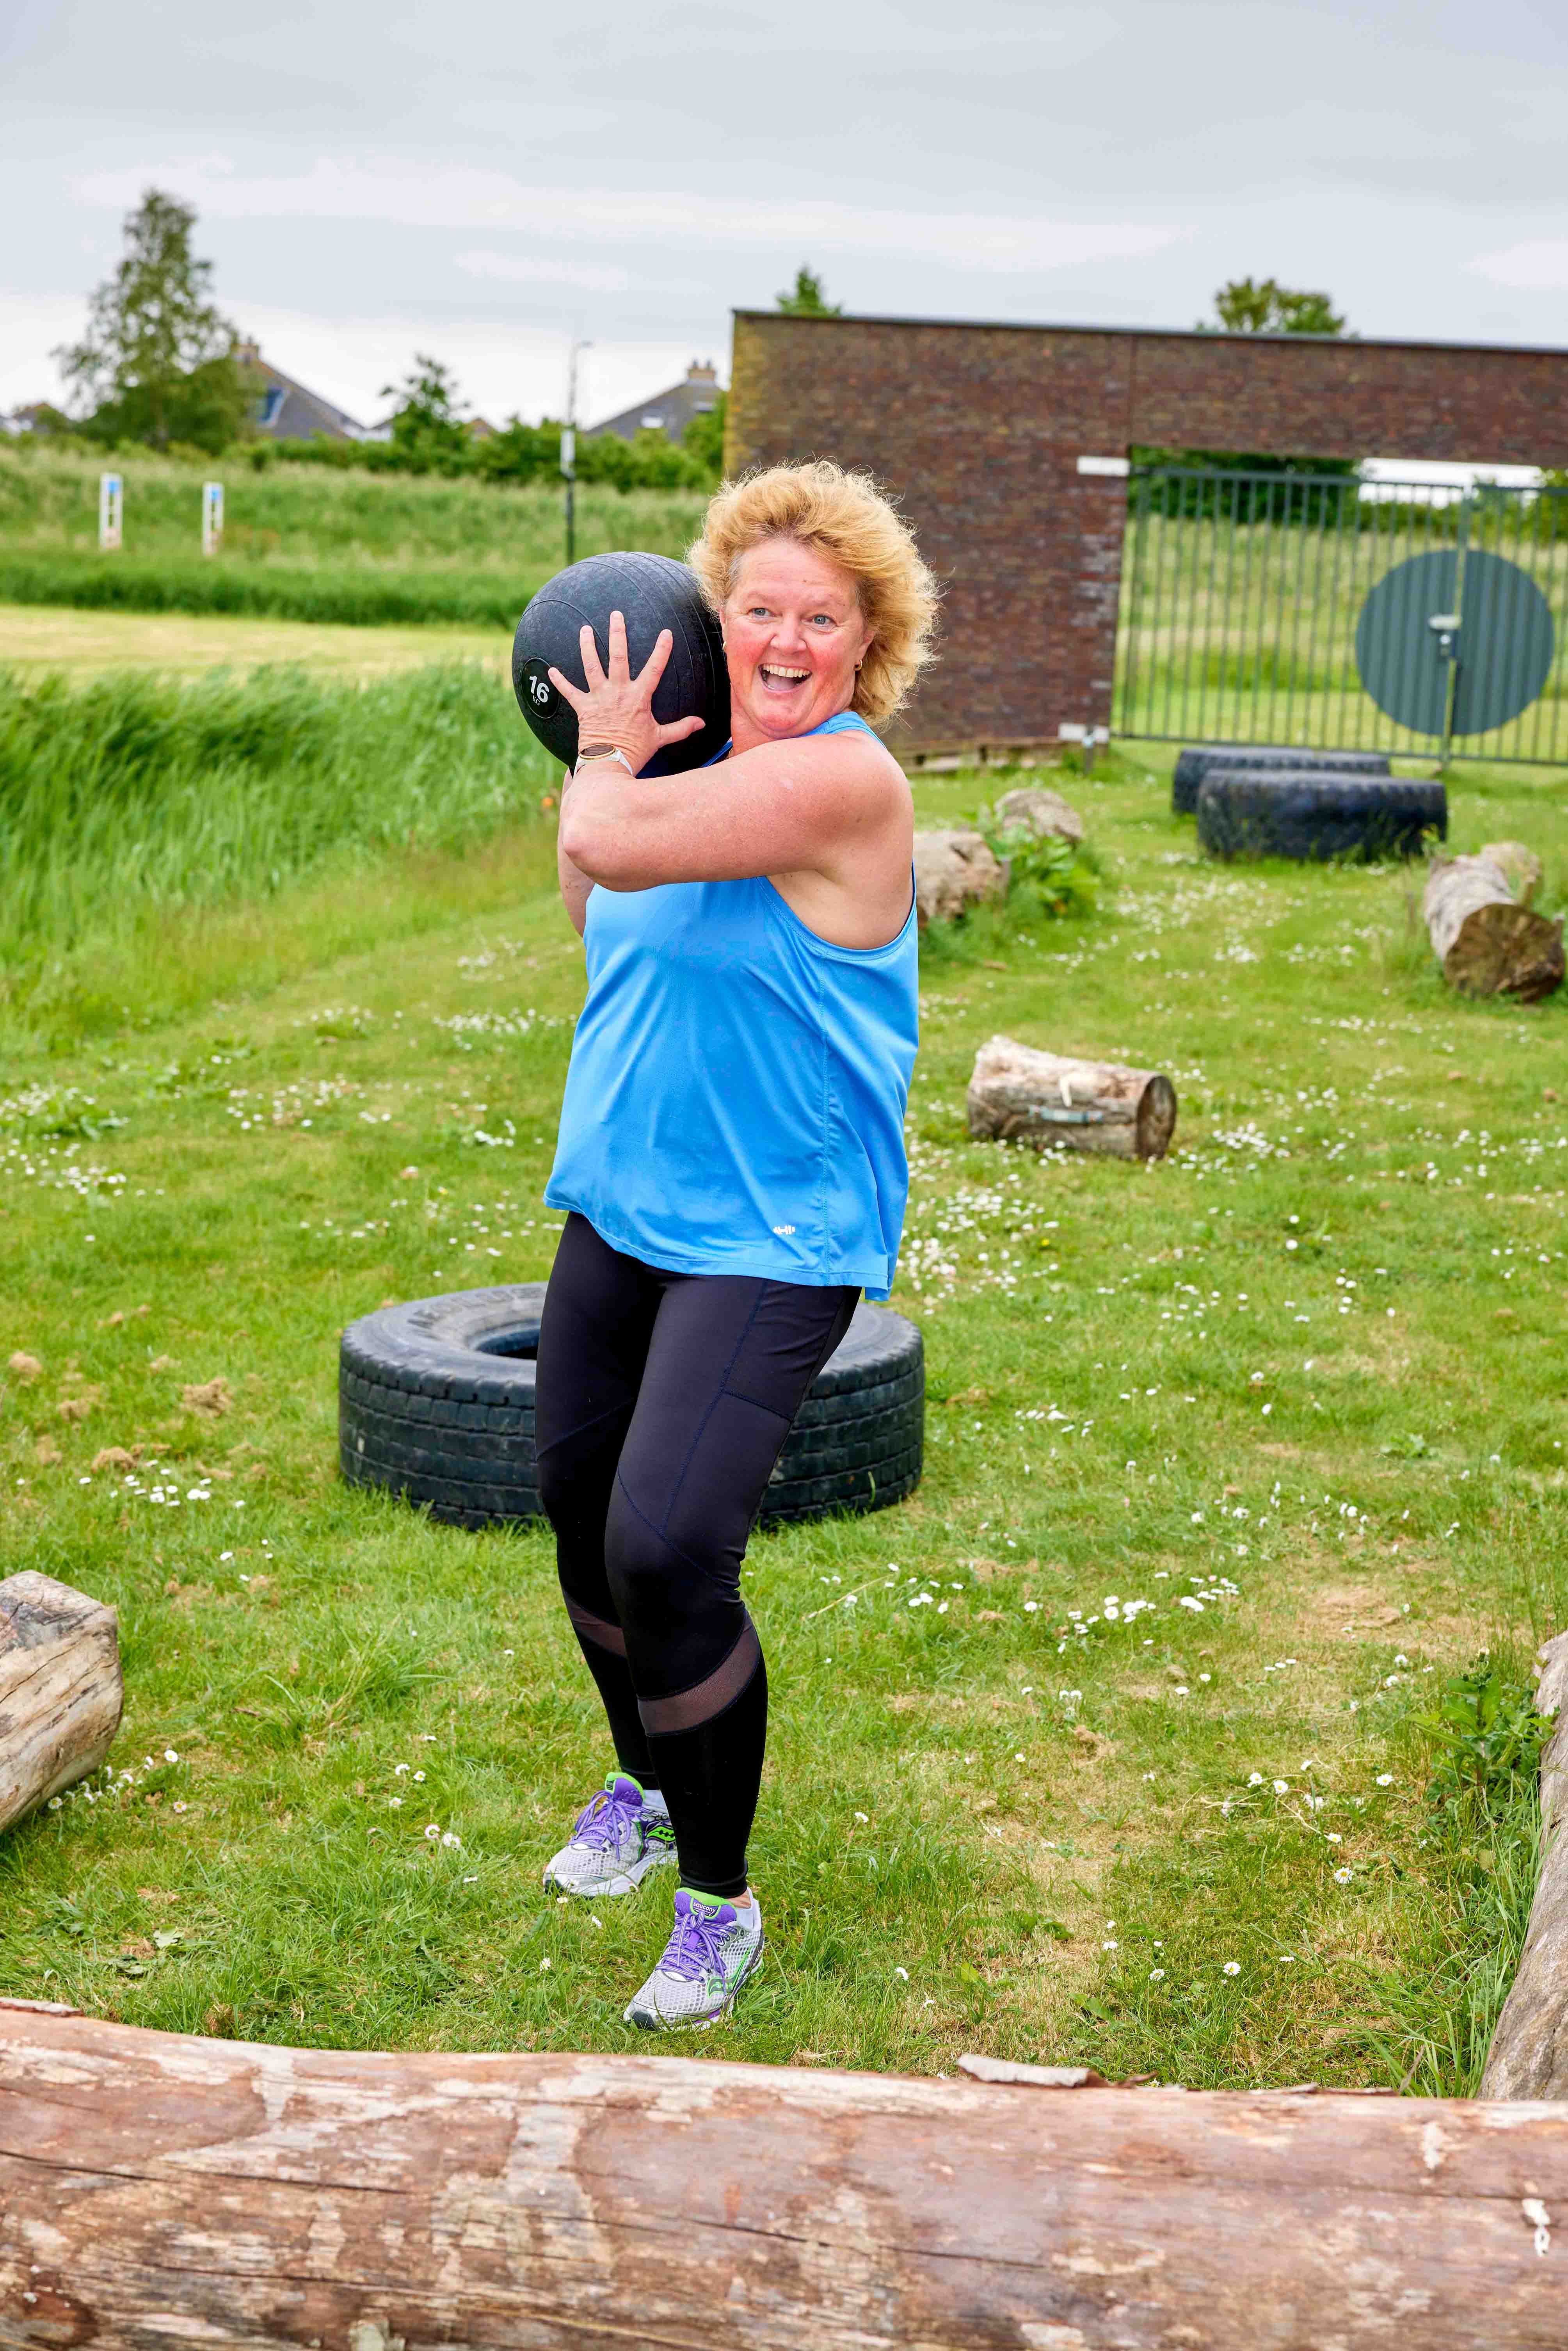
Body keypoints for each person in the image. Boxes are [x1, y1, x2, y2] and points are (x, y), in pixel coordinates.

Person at [533, 459, 937, 2028]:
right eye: (753, 608)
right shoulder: (681, 772)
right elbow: (593, 902)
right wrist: (618, 778)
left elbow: (616, 843)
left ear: (863, 641)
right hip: (627, 1197)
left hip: (779, 1225)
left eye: (817, 617)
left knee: (665, 1543)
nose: (781, 637)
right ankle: (638, 1787)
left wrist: (610, 765)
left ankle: (720, 1898)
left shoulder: (848, 784)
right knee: (578, 1506)